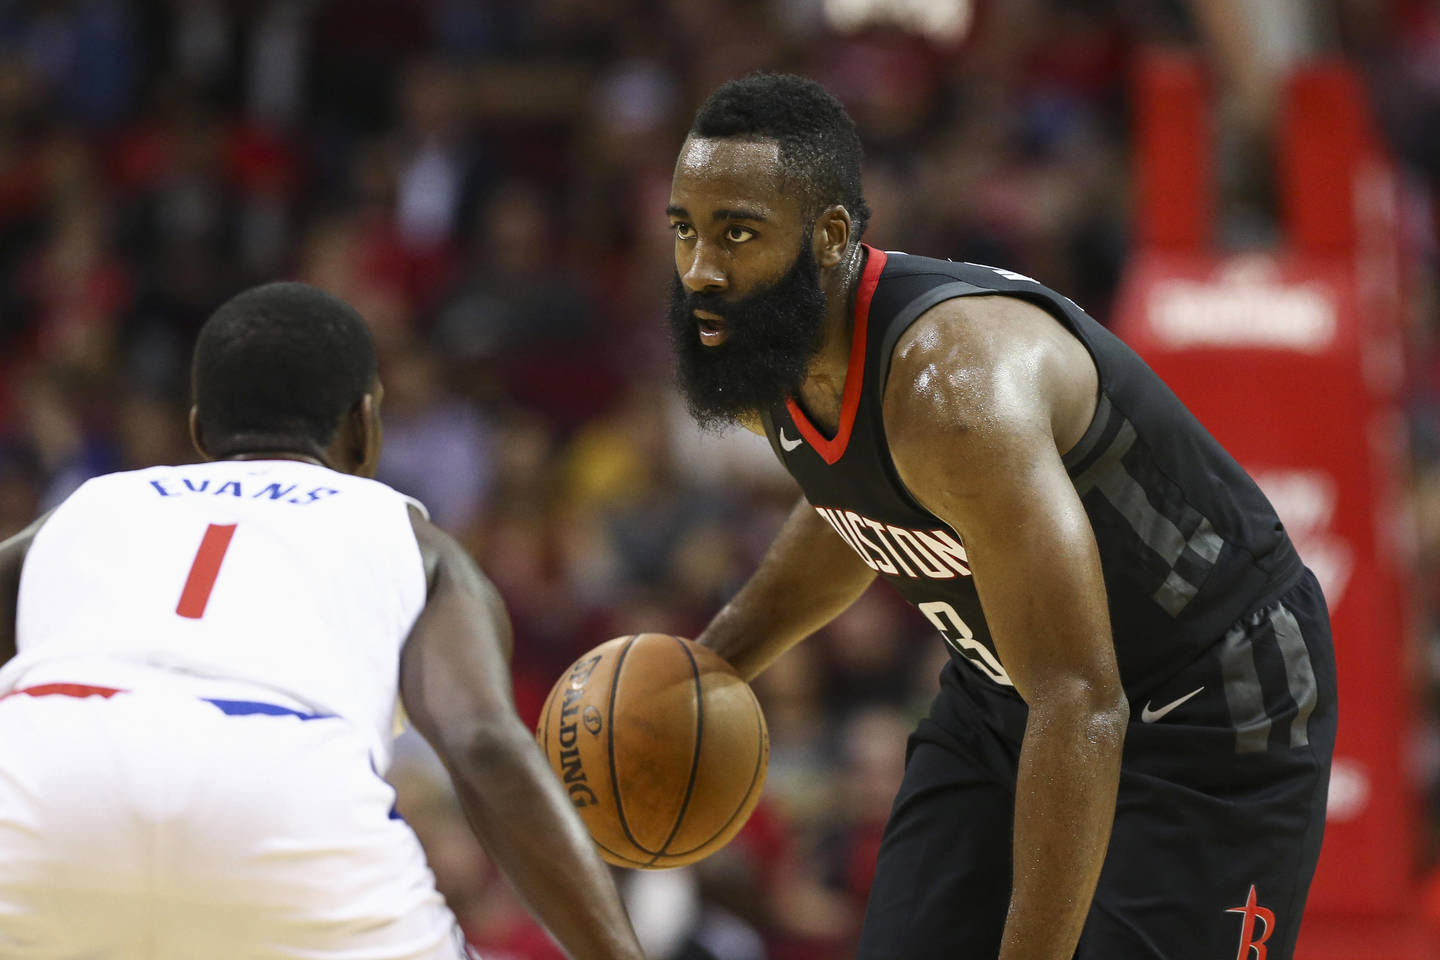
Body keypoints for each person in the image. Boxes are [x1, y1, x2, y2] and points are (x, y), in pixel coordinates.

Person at [664, 73, 1336, 960]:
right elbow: (855, 503)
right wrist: (709, 670)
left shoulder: (956, 394)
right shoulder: (776, 350)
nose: (702, 269)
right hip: (1013, 696)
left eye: (737, 233)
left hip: (1210, 699)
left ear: (827, 238)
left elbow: (1082, 702)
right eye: (685, 230)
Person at [0, 282, 647, 960]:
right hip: (282, 792)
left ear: (198, 432)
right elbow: (482, 740)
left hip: (38, 773)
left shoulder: (87, 506)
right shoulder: (411, 539)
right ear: (364, 426)